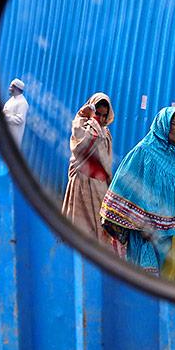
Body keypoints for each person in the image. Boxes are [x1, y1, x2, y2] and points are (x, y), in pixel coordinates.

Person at [100, 106, 175, 282]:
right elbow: (123, 185)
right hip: (144, 237)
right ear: (164, 124)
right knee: (142, 284)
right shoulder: (143, 151)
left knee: (164, 285)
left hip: (170, 240)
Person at [61, 93, 115, 246]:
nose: (101, 118)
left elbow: (107, 161)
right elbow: (79, 149)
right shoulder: (81, 126)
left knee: (98, 229)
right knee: (79, 226)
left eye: (105, 115)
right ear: (91, 110)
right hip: (82, 183)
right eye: (98, 113)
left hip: (99, 186)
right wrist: (91, 123)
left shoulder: (106, 133)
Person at [2, 78, 29, 147]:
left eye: (11, 86)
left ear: (17, 88)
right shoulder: (11, 100)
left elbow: (20, 119)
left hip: (13, 138)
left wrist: (5, 117)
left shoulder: (23, 103)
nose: (9, 88)